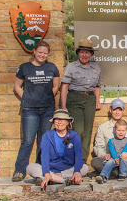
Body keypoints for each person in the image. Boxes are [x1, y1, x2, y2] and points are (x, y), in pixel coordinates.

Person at [12, 41, 60, 182]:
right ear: (34, 51)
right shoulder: (24, 68)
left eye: (45, 53)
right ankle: (20, 171)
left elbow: (56, 86)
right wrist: (27, 98)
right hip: (30, 110)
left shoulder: (52, 68)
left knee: (43, 141)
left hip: (47, 109)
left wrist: (45, 98)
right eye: (40, 52)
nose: (42, 55)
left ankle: (40, 170)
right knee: (27, 141)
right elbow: (17, 86)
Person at [60, 39, 102, 162]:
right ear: (78, 53)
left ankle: (82, 160)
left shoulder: (96, 68)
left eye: (87, 52)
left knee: (88, 131)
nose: (85, 55)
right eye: (82, 52)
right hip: (75, 98)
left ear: (91, 54)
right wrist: (63, 105)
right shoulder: (71, 67)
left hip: (89, 99)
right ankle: (73, 157)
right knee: (78, 130)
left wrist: (97, 101)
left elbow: (98, 86)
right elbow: (64, 86)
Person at [26, 109, 89, 189]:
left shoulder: (74, 136)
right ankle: (63, 180)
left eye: (62, 119)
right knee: (30, 167)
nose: (59, 122)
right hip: (51, 169)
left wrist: (76, 171)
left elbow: (78, 156)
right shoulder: (47, 136)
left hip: (67, 169)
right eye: (57, 119)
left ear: (68, 122)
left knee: (84, 168)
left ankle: (52, 179)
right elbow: (44, 156)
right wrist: (46, 173)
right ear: (53, 121)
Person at [91, 99, 127, 178]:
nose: (117, 112)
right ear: (110, 110)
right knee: (95, 161)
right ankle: (126, 172)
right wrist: (104, 155)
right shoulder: (102, 128)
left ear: (124, 111)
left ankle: (114, 173)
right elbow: (98, 147)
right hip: (110, 160)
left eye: (120, 110)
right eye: (115, 110)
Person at [95, 119, 127, 183]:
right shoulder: (111, 141)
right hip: (115, 158)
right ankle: (103, 176)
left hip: (124, 159)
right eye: (119, 130)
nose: (121, 132)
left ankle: (122, 175)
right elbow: (112, 150)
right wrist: (115, 158)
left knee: (124, 154)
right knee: (109, 161)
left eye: (123, 130)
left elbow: (126, 149)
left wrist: (120, 158)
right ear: (115, 130)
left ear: (126, 131)